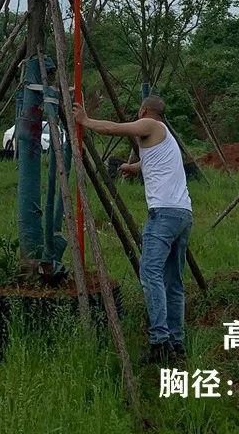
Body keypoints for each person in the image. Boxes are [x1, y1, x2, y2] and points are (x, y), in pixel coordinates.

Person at [73, 93, 192, 365]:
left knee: (150, 274)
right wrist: (132, 167)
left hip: (163, 214)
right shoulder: (166, 137)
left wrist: (85, 120)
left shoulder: (151, 125)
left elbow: (115, 129)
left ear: (144, 110)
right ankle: (177, 343)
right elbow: (154, 163)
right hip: (183, 213)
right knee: (173, 282)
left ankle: (159, 341)